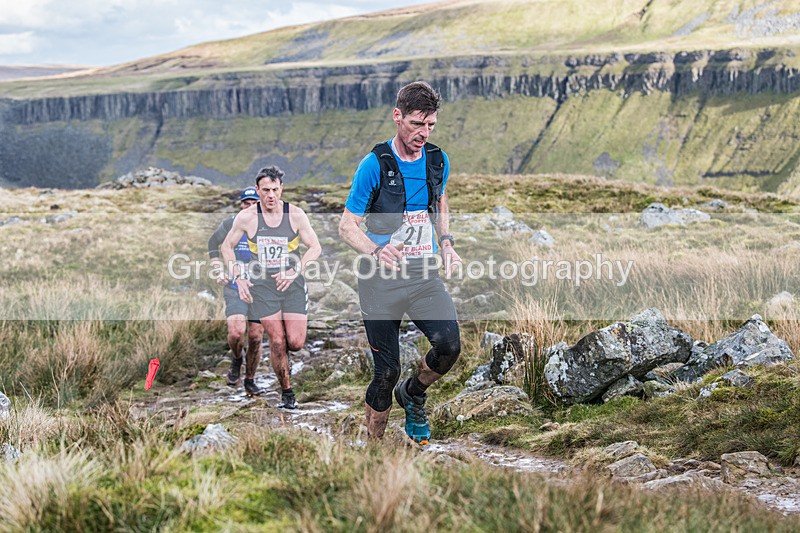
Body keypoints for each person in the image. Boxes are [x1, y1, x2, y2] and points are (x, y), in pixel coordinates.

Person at [339, 81, 462, 445]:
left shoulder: (438, 160)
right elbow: (347, 226)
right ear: (397, 117)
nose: (423, 133)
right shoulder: (374, 165)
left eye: (430, 125)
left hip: (423, 274)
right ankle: (374, 448)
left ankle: (413, 393)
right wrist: (375, 251)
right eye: (416, 124)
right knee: (385, 371)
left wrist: (447, 243)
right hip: (379, 282)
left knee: (449, 346)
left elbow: (440, 202)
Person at [221, 166, 321, 409]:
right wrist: (239, 277)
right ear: (258, 190)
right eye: (265, 190)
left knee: (295, 343)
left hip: (292, 284)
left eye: (275, 190)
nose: (270, 195)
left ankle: (282, 360)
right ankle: (287, 392)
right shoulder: (246, 217)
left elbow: (315, 247)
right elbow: (226, 247)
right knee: (276, 341)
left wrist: (294, 270)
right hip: (263, 287)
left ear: (281, 189)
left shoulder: (295, 215)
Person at [208, 187, 265, 393]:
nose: (249, 206)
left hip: (261, 290)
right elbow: (213, 244)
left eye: (254, 203)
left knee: (256, 337)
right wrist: (217, 269)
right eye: (245, 202)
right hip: (234, 286)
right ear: (240, 205)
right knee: (236, 333)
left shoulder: (271, 225)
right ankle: (236, 358)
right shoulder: (231, 224)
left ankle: (250, 379)